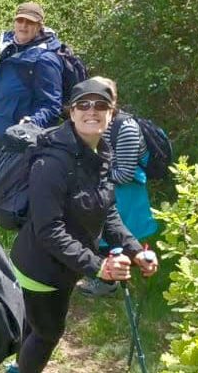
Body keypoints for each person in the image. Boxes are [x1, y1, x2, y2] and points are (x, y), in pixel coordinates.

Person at [8, 79, 159, 373]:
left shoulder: (101, 152)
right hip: (41, 267)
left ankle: (18, 367)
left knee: (37, 326)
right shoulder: (51, 162)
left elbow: (108, 211)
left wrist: (135, 250)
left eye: (101, 105)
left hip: (67, 264)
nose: (92, 111)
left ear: (112, 113)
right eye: (84, 105)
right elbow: (49, 229)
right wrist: (98, 266)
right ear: (72, 112)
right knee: (47, 333)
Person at [0, 1, 65, 223]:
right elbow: (3, 87)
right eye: (20, 20)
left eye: (29, 22)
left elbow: (52, 105)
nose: (23, 25)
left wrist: (30, 123)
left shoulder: (46, 59)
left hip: (22, 136)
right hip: (3, 128)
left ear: (39, 26)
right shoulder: (10, 48)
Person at [77, 76, 160, 296]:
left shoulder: (126, 128)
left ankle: (109, 283)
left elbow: (125, 174)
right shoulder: (96, 124)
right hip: (108, 189)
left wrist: (94, 176)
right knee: (103, 235)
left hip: (126, 194)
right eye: (88, 100)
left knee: (116, 236)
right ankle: (106, 276)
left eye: (101, 100)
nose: (93, 107)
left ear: (113, 101)